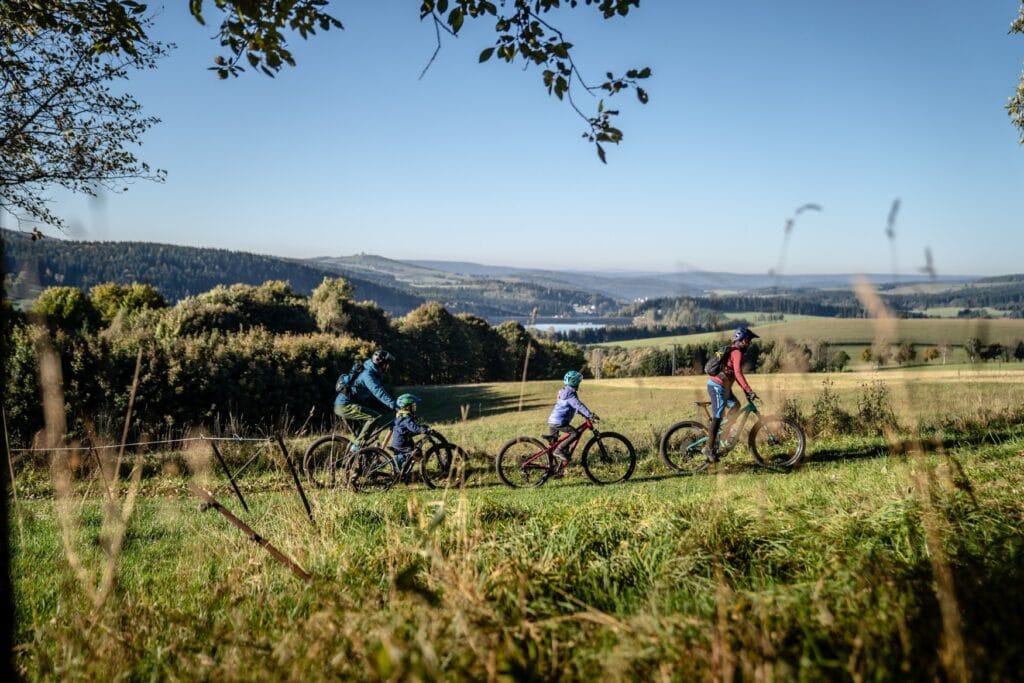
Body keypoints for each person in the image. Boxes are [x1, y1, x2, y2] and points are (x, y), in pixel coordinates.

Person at [704, 326, 760, 463]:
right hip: (717, 386)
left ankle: (723, 433)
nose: (749, 343)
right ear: (741, 340)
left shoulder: (734, 351)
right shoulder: (737, 353)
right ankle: (709, 449)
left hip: (725, 388)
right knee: (718, 416)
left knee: (735, 405)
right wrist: (748, 390)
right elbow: (738, 374)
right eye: (748, 340)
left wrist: (746, 390)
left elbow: (735, 375)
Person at [334, 348, 398, 447]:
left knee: (365, 435)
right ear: (380, 363)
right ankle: (357, 447)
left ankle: (359, 455)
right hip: (344, 405)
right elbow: (378, 391)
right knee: (374, 417)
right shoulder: (368, 375)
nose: (388, 367)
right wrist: (394, 405)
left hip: (348, 404)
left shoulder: (372, 373)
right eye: (387, 364)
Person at [545, 370, 599, 467]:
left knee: (557, 446)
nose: (579, 384)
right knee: (575, 434)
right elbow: (578, 405)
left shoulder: (565, 391)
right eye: (578, 382)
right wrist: (590, 415)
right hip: (559, 422)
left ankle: (554, 470)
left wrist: (585, 415)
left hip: (553, 421)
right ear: (574, 382)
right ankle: (559, 450)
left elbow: (575, 407)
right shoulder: (570, 394)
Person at [390, 393, 433, 471]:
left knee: (407, 456)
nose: (414, 407)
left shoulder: (402, 415)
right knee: (416, 453)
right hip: (402, 443)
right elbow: (413, 428)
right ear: (407, 407)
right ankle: (419, 470)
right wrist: (424, 430)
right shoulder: (406, 418)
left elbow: (409, 429)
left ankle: (401, 470)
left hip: (401, 441)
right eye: (413, 406)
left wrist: (422, 427)